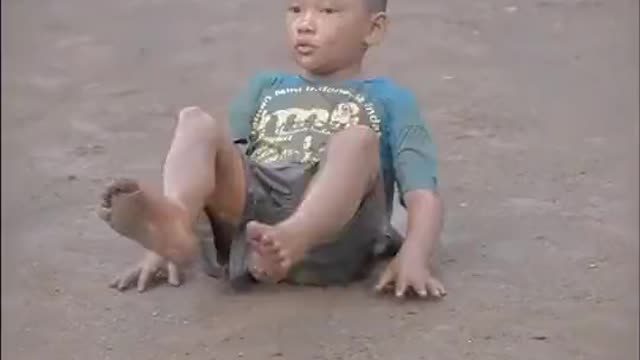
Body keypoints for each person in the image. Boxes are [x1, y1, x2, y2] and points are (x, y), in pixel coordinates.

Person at [99, 0, 447, 299]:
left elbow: (422, 192)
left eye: (328, 10)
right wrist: (161, 243)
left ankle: (294, 238)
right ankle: (176, 221)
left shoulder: (391, 99)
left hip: (336, 231)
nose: (305, 24)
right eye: (295, 9)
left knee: (357, 139)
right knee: (196, 123)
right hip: (255, 220)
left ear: (373, 29)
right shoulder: (265, 86)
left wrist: (414, 255)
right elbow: (221, 166)